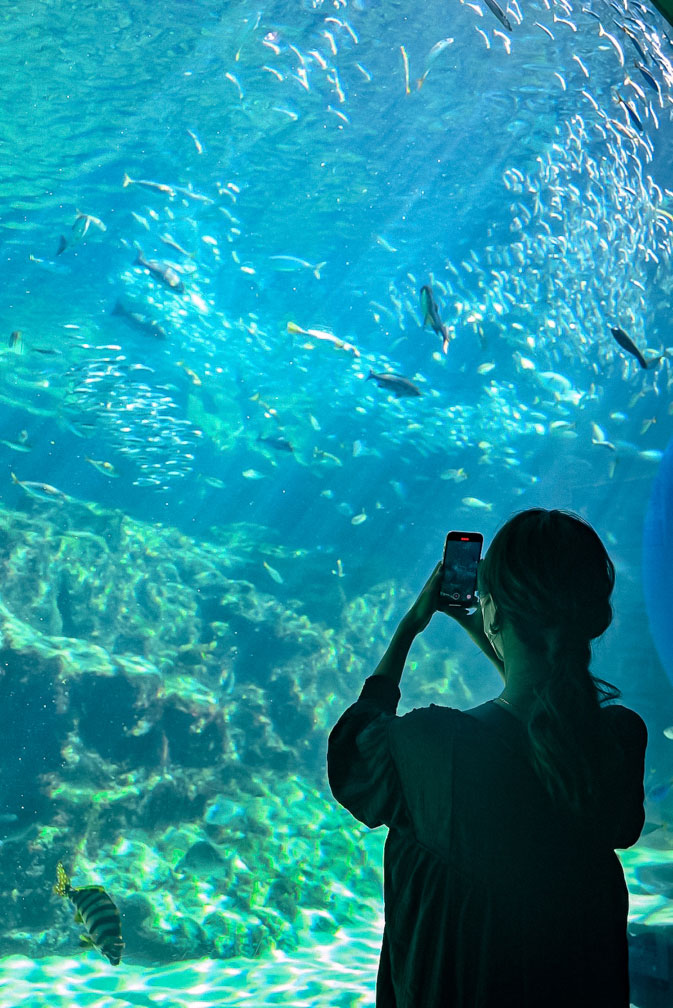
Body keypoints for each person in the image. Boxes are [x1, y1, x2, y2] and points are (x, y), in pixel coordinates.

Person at [327, 508, 647, 1008]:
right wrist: (488, 630)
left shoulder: (436, 746)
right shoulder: (618, 740)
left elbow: (352, 751)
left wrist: (410, 627)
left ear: (494, 610)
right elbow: (549, 719)